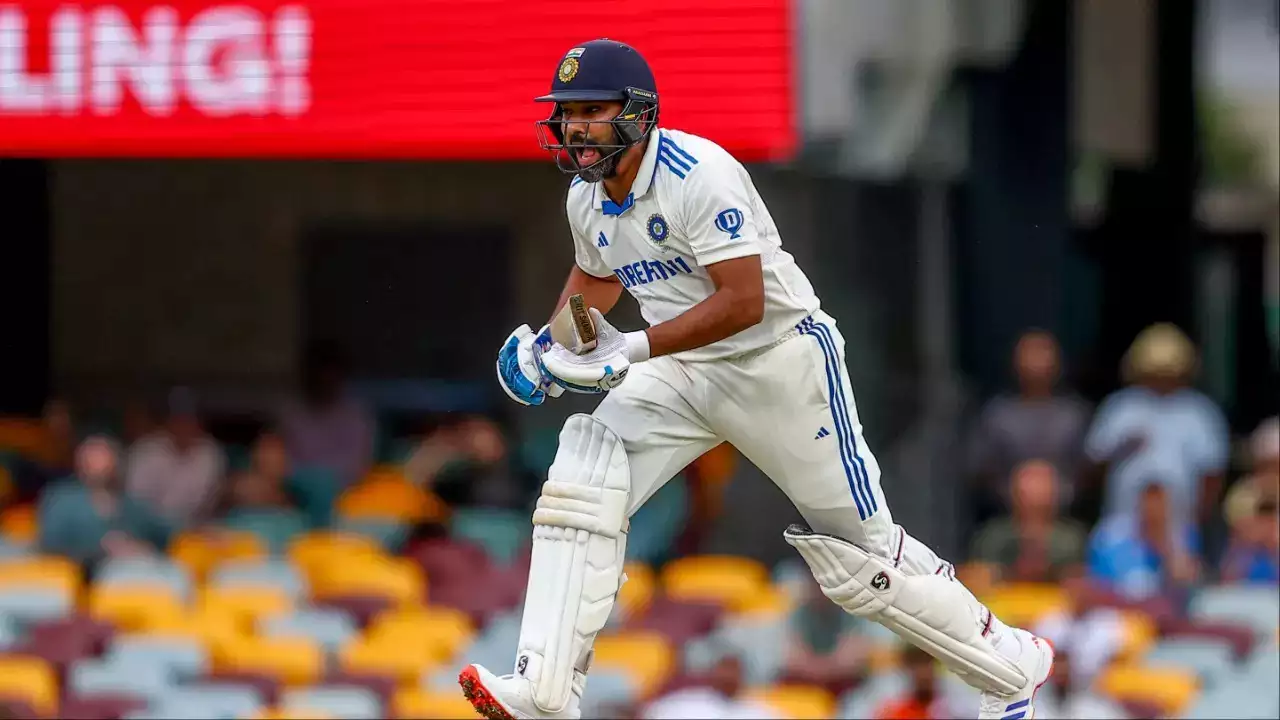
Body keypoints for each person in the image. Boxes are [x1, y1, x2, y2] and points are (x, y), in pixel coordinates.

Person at [458, 39, 1053, 720]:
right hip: (679, 369)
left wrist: (634, 347)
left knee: (859, 562)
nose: (576, 127)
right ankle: (544, 690)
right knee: (581, 474)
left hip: (779, 362)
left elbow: (746, 301)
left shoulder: (699, 173)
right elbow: (594, 285)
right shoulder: (586, 200)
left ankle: (1011, 667)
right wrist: (548, 347)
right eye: (568, 113)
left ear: (638, 113)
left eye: (592, 109)